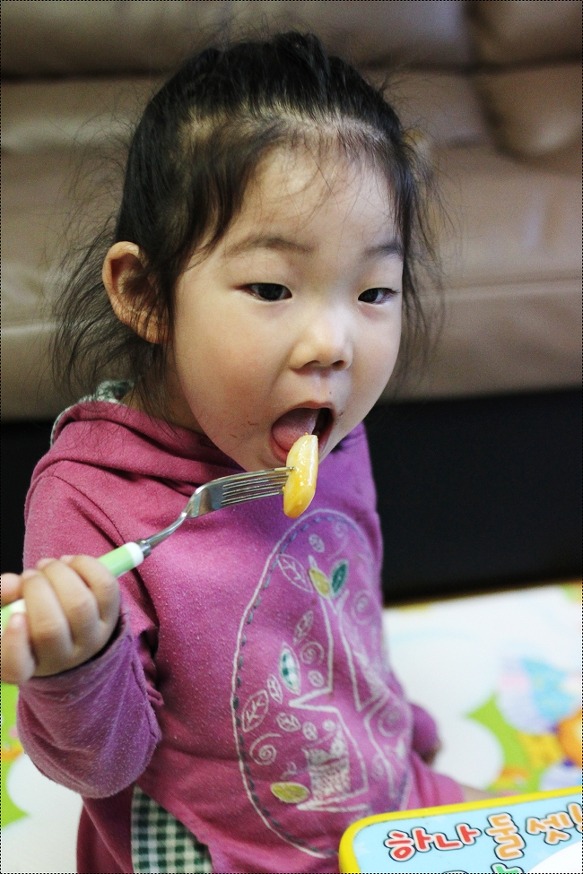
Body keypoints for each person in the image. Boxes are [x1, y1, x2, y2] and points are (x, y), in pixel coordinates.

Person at [1, 32, 485, 874]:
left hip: (379, 798)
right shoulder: (93, 501)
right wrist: (75, 661)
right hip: (218, 851)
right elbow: (97, 765)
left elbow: (342, 618)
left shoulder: (333, 434)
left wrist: (402, 728)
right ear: (146, 295)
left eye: (373, 291)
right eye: (271, 288)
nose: (331, 342)